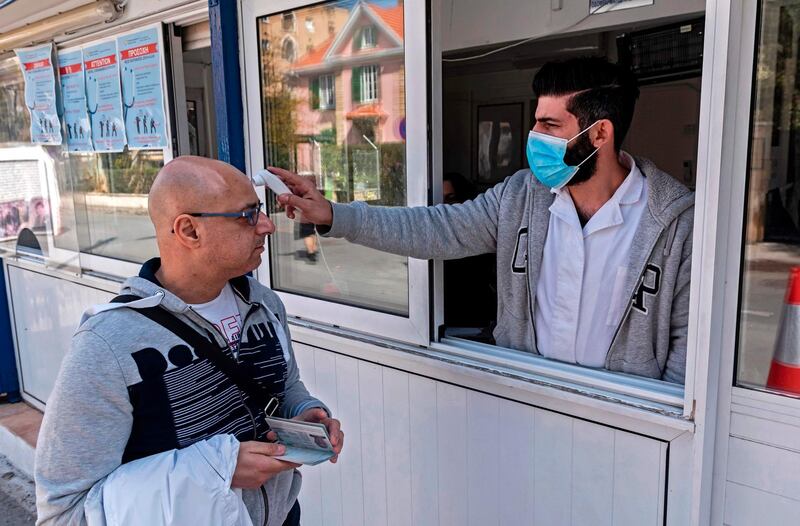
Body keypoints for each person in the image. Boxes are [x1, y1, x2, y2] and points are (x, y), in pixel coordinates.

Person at [272, 57, 694, 384]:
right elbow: (435, 229)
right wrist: (334, 214)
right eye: (535, 121)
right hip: (528, 400)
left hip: (631, 425)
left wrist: (656, 423)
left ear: (599, 135)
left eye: (549, 125)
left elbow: (685, 345)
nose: (534, 135)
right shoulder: (520, 196)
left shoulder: (673, 221)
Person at [35, 156, 344, 525]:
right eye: (247, 216)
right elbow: (63, 513)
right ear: (189, 231)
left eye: (260, 211)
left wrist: (304, 412)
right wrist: (216, 471)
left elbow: (286, 384)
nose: (266, 226)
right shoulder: (106, 345)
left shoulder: (264, 303)